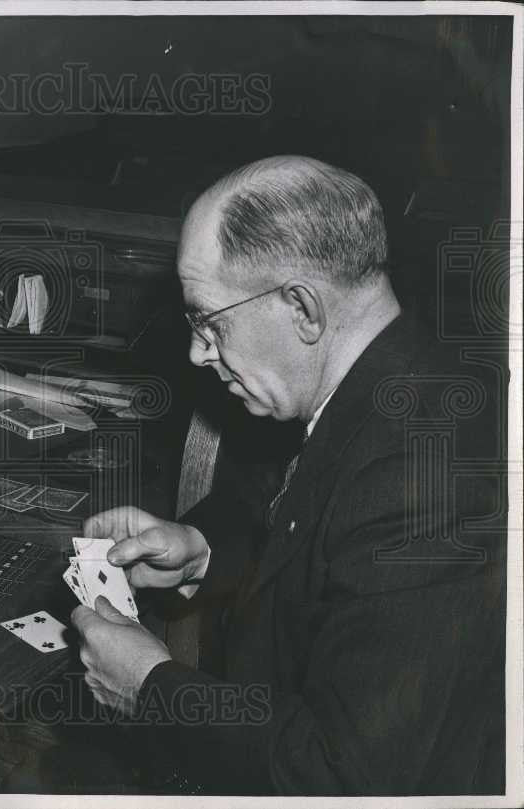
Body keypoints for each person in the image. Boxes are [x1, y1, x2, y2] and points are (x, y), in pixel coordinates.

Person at [71, 156, 506, 795]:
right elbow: (296, 528)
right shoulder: (375, 387)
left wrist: (153, 688)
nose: (197, 353)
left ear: (303, 308)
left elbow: (349, 777)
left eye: (209, 322)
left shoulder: (421, 476)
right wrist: (200, 552)